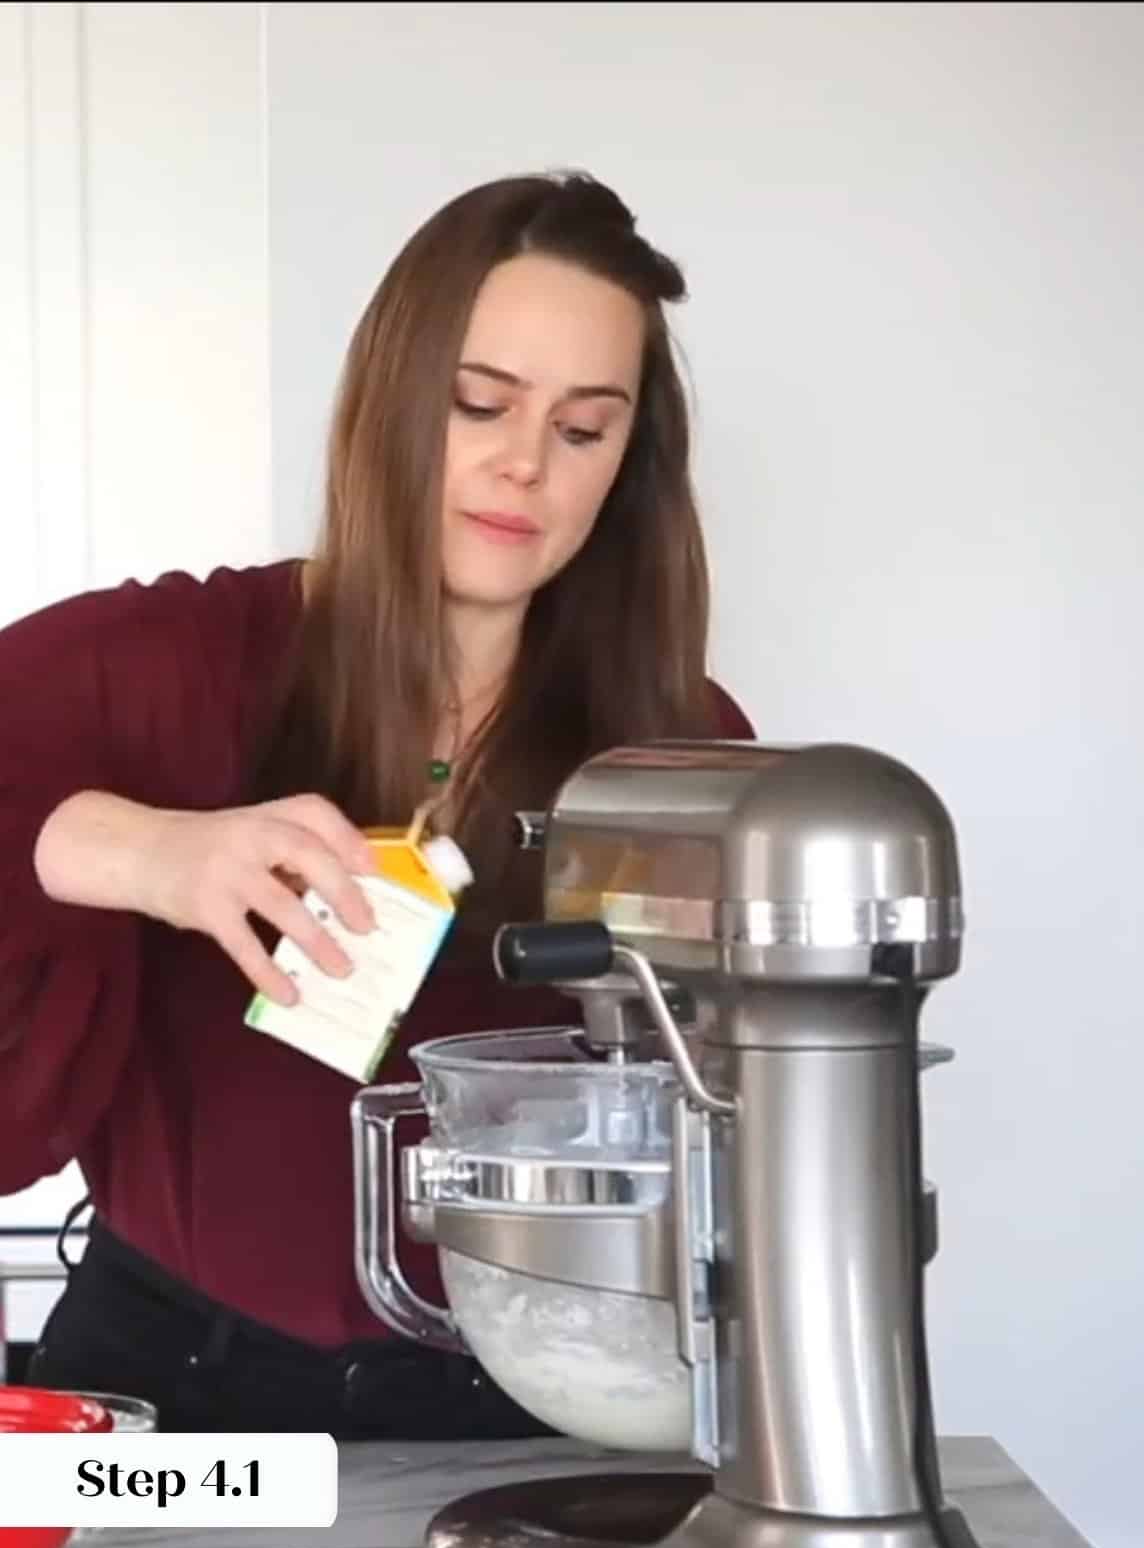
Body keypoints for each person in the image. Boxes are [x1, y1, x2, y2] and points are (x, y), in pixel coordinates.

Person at [1, 171, 755, 1436]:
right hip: (159, 1399)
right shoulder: (170, 660)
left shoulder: (681, 755)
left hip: (532, 1411)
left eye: (584, 430)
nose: (523, 462)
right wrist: (142, 852)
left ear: (628, 464)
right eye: (478, 404)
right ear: (391, 400)